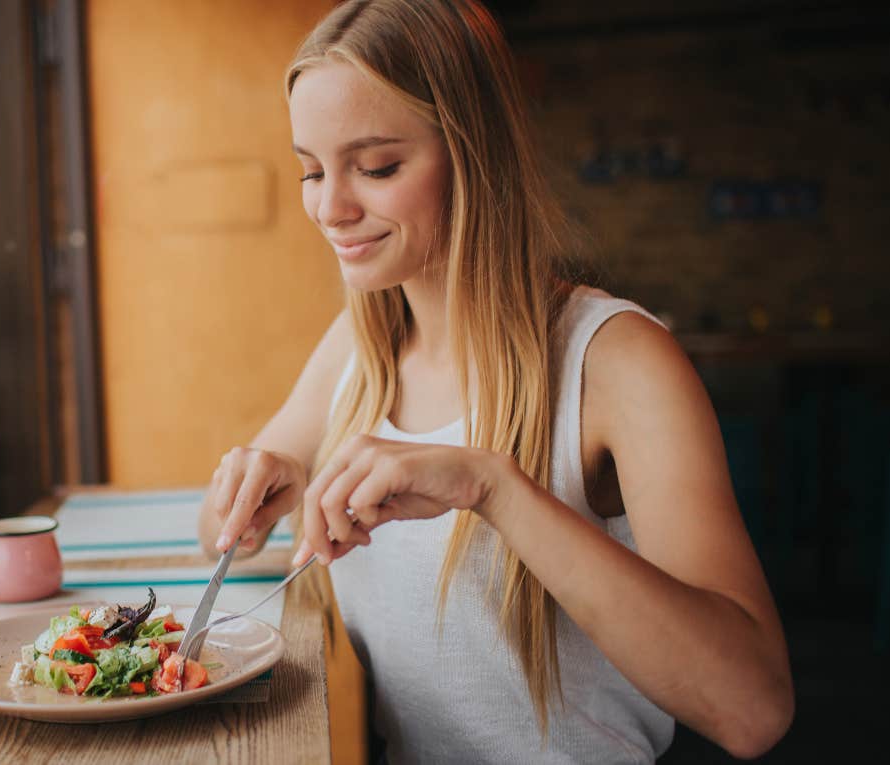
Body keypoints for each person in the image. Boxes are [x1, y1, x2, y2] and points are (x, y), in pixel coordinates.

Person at [195, 1, 794, 762]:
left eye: (376, 167)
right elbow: (221, 539)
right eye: (312, 170)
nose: (330, 208)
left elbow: (754, 708)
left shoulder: (618, 360)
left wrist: (495, 488)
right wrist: (254, 486)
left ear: (475, 154)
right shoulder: (358, 348)